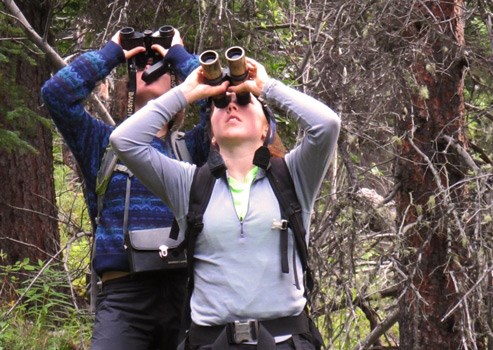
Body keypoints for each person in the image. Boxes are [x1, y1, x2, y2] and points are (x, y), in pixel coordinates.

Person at [110, 52, 340, 349]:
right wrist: (187, 92)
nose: (232, 103)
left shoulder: (292, 177)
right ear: (212, 137)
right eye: (221, 103)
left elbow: (327, 125)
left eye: (244, 100)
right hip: (210, 342)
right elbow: (124, 141)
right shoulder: (190, 184)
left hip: (285, 341)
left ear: (265, 129)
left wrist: (266, 87)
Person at [41, 28, 210, 349]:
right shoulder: (102, 144)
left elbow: (220, 99)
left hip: (186, 294)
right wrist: (114, 52)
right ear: (128, 84)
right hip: (123, 297)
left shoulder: (192, 146)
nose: (148, 66)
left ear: (177, 81)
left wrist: (179, 57)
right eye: (141, 63)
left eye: (158, 63)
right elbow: (57, 94)